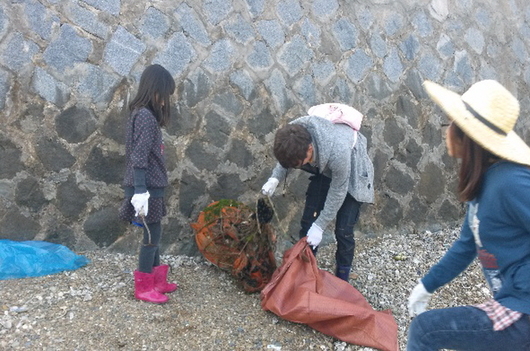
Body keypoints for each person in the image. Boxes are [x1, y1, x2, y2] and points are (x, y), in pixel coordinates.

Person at [407, 80, 530, 350]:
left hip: (523, 310)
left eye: (450, 122)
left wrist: (522, 284)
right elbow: (466, 245)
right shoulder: (486, 183)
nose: (445, 130)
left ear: (465, 134)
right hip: (510, 300)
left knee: (425, 331)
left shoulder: (511, 182)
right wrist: (428, 284)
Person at [261, 103, 374, 281]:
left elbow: (338, 190)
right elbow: (286, 156)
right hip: (323, 165)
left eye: (299, 164)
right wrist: (275, 178)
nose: (297, 167)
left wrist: (320, 226)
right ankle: (304, 272)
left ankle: (342, 276)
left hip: (352, 172)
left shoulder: (339, 152)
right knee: (308, 223)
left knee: (343, 230)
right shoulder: (294, 133)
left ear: (310, 150)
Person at [119, 64, 178, 304]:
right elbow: (139, 155)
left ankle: (156, 279)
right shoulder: (144, 116)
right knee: (151, 236)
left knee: (155, 231)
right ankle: (143, 285)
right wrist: (141, 190)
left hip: (152, 186)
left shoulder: (144, 115)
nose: (165, 102)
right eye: (164, 96)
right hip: (146, 187)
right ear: (155, 90)